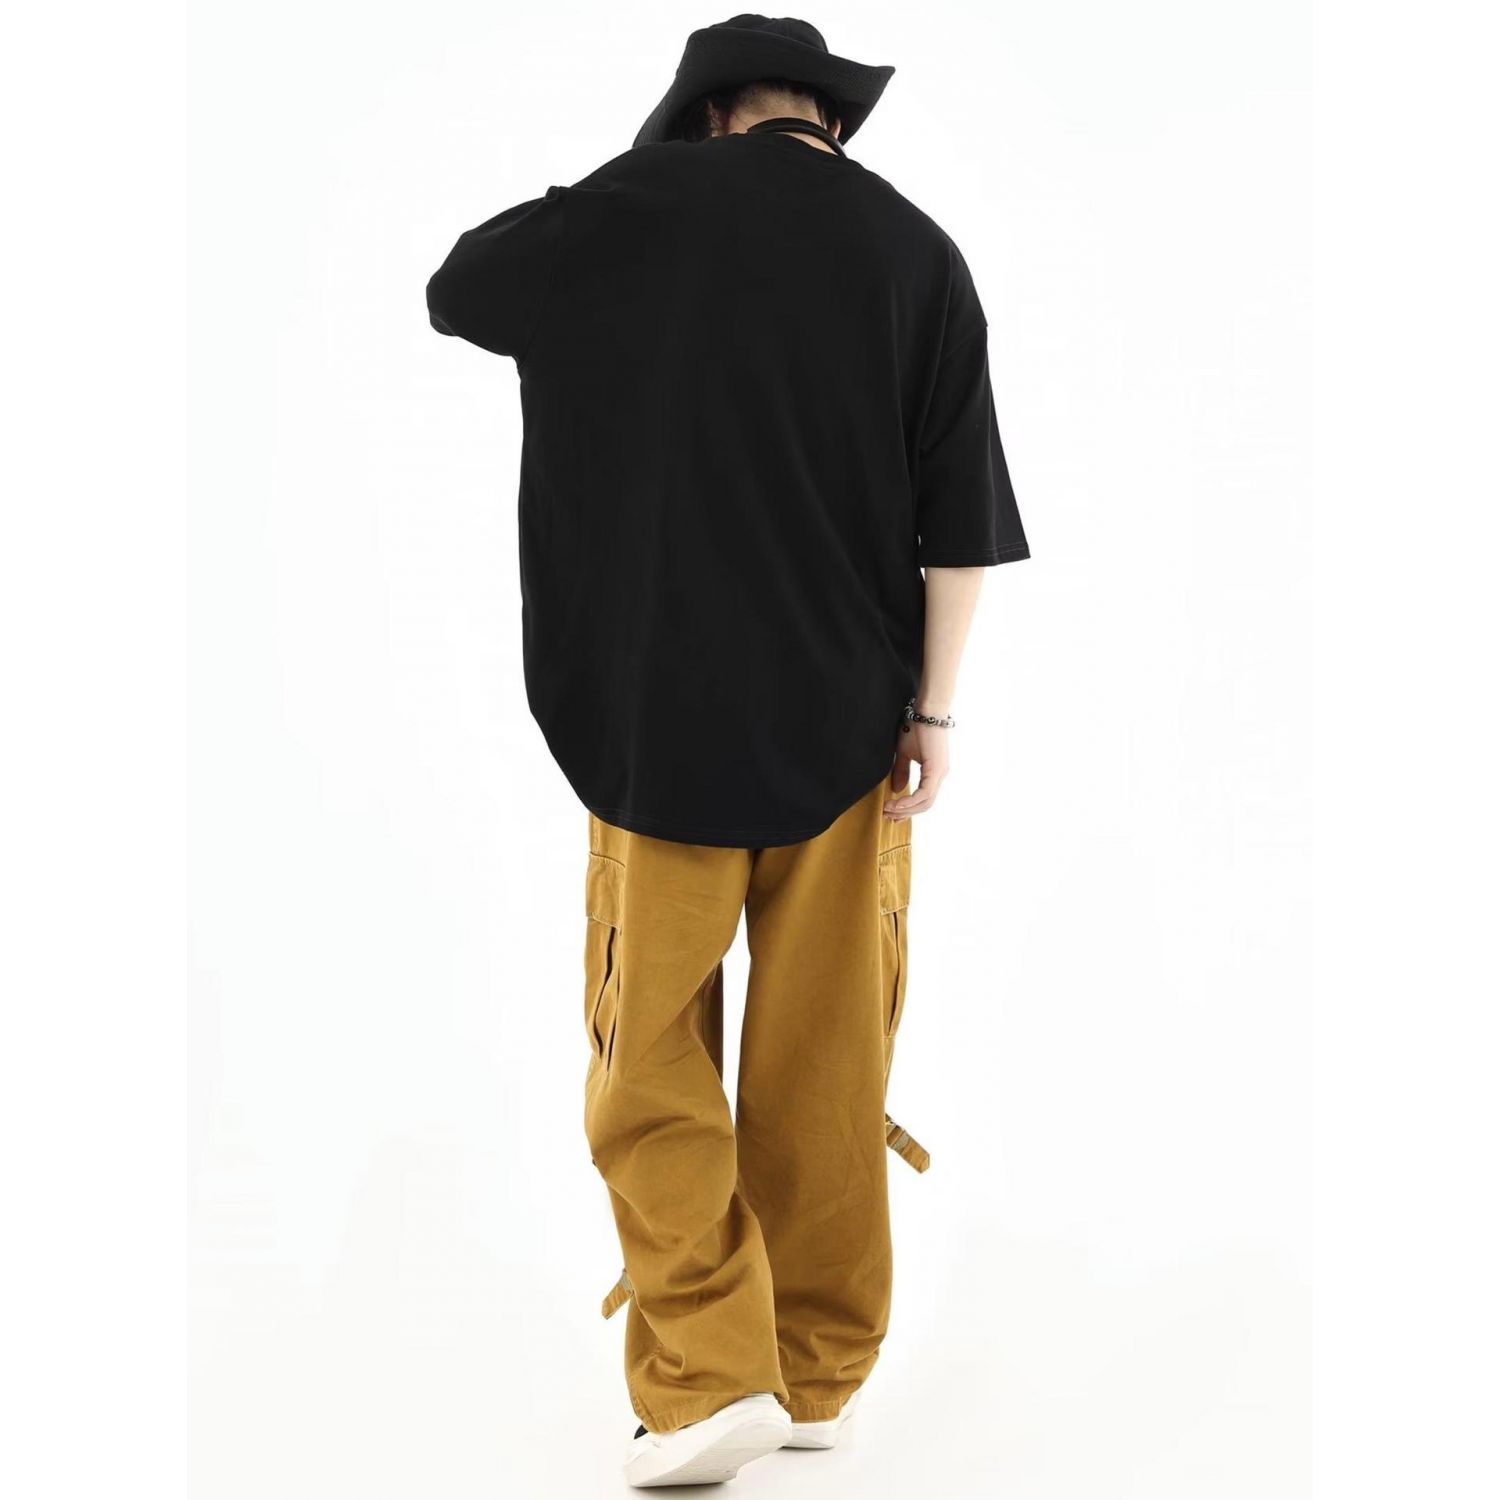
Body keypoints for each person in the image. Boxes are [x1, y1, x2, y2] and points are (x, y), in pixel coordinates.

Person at [427, 14, 1028, 1488]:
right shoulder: (920, 254)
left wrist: (635, 195)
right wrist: (933, 715)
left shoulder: (635, 209)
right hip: (849, 734)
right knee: (827, 1064)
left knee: (650, 1065)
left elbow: (462, 287)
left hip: (655, 729)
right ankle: (815, 1376)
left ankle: (705, 1377)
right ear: (830, 118)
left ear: (703, 114)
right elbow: (960, 529)